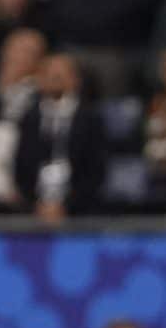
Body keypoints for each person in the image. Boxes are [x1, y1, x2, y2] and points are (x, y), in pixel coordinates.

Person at [14, 53, 108, 223]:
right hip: (34, 211)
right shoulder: (29, 119)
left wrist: (67, 206)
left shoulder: (91, 119)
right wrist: (37, 205)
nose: (56, 77)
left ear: (76, 80)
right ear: (40, 80)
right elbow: (20, 168)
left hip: (80, 213)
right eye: (50, 73)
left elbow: (96, 171)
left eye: (61, 74)